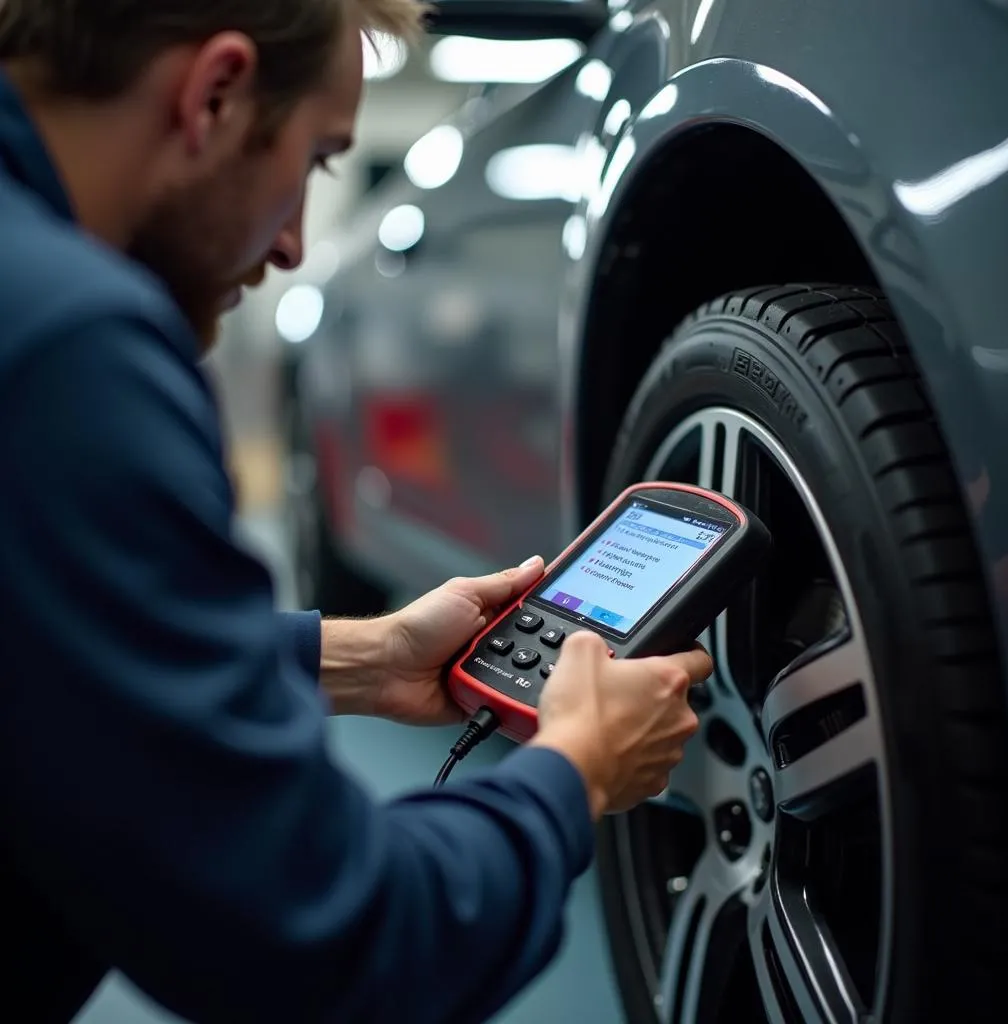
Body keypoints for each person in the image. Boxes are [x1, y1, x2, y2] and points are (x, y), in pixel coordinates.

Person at [0, 1, 712, 1021]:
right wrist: (573, 772)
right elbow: (337, 939)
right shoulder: (72, 351)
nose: (293, 244)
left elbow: (45, 633)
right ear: (213, 95)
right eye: (320, 158)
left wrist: (359, 656)